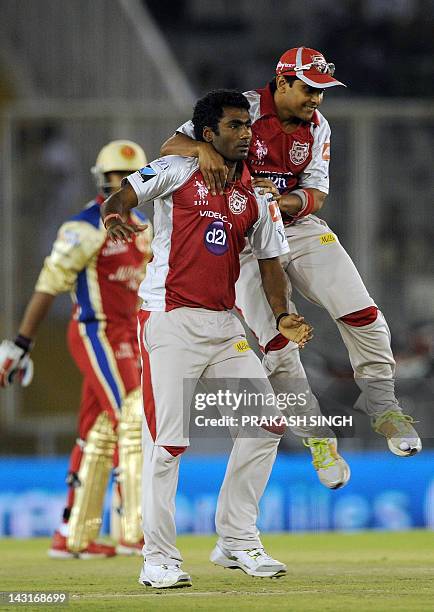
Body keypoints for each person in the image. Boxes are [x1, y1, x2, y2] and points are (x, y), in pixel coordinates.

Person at [161, 46, 422, 486]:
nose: (317, 99)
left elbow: (315, 194)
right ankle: (318, 440)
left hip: (297, 226)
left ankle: (383, 406)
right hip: (242, 240)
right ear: (282, 82)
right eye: (309, 89)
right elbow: (173, 144)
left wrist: (275, 202)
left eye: (323, 91)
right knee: (279, 349)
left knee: (363, 313)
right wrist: (200, 152)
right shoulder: (241, 110)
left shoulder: (318, 127)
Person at [101, 89, 312, 588]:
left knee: (266, 426)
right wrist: (115, 215)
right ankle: (158, 558)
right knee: (167, 445)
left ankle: (236, 540)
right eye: (235, 126)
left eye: (248, 125)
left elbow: (269, 264)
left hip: (223, 325)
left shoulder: (259, 195)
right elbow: (126, 194)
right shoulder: (175, 170)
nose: (246, 133)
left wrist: (282, 315)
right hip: (170, 319)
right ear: (208, 133)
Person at [0, 140, 153, 558]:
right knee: (132, 417)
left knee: (99, 431)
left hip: (126, 334)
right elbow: (48, 285)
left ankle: (74, 535)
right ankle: (134, 529)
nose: (122, 185)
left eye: (131, 178)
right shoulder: (83, 227)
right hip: (95, 331)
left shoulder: (144, 226)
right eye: (116, 179)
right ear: (102, 182)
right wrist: (21, 344)